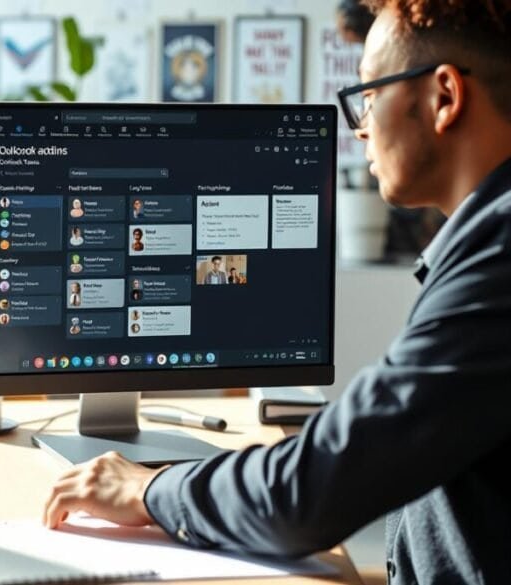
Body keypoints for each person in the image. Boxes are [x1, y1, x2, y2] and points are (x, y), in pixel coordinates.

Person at [44, 3, 511, 583]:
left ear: (443, 97)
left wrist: (149, 490)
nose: (361, 126)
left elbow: (312, 492)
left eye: (368, 95)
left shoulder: (500, 260)